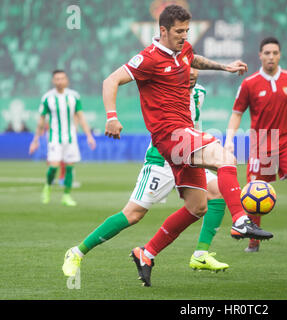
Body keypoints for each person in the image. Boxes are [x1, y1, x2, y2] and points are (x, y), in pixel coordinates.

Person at [63, 5, 273, 287]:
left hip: (183, 137)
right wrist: (111, 117)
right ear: (162, 30)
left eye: (187, 31)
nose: (184, 36)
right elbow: (111, 80)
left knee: (197, 206)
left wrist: (223, 66)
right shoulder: (148, 58)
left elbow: (193, 57)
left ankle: (145, 253)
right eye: (178, 32)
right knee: (224, 157)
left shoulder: (183, 51)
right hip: (170, 136)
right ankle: (240, 219)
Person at [62, 67, 230, 278]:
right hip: (162, 160)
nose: (193, 73)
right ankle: (77, 252)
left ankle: (200, 253)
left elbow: (194, 126)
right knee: (133, 214)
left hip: (187, 157)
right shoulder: (164, 92)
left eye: (195, 68)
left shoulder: (200, 94)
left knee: (214, 194)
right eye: (188, 69)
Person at [224, 37, 287, 253]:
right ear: (260, 55)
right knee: (255, 192)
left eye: (275, 53)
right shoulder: (249, 83)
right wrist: (229, 140)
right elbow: (237, 113)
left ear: (280, 55)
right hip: (260, 147)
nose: (271, 57)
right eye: (267, 53)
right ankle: (254, 239)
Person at [29, 70, 96, 206]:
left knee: (70, 168)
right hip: (54, 138)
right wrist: (35, 140)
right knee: (53, 167)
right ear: (53, 81)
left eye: (62, 78)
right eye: (57, 79)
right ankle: (47, 187)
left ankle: (66, 196)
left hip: (71, 138)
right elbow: (41, 120)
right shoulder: (47, 98)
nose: (59, 81)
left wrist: (89, 136)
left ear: (67, 80)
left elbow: (81, 117)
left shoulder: (74, 96)